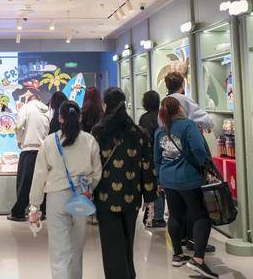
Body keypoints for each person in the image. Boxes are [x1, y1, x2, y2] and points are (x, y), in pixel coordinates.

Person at [28, 101, 102, 279]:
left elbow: (39, 175)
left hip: (56, 198)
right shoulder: (89, 140)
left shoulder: (49, 141)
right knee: (77, 247)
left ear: (60, 118)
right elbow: (97, 172)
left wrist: (34, 205)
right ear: (80, 117)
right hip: (81, 197)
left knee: (59, 250)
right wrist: (89, 188)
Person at [92, 88, 158, 279]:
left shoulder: (99, 133)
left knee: (111, 245)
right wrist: (150, 197)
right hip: (131, 196)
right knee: (128, 241)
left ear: (105, 105)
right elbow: (147, 166)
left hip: (105, 197)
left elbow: (91, 166)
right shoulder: (138, 133)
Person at [154, 97, 219, 278]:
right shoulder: (188, 125)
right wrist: (206, 166)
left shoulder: (160, 131)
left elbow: (157, 158)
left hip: (168, 180)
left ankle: (177, 255)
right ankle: (198, 260)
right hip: (188, 179)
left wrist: (160, 178)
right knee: (201, 216)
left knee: (175, 215)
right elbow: (198, 149)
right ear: (179, 108)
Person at [162, 71, 215, 252]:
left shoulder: (164, 102)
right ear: (182, 84)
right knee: (196, 209)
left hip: (169, 165)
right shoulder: (185, 105)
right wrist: (206, 165)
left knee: (175, 212)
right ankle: (195, 243)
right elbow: (205, 121)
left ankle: (178, 249)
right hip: (187, 163)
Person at [8, 90, 50, 221]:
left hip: (29, 149)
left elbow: (19, 126)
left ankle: (19, 212)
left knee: (25, 182)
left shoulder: (26, 108)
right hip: (43, 151)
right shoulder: (47, 110)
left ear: (28, 100)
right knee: (42, 182)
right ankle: (41, 212)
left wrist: (19, 140)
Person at [139, 90, 166, 228]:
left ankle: (157, 216)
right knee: (160, 185)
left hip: (149, 155)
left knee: (154, 185)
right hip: (163, 153)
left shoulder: (144, 118)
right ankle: (158, 215)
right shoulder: (162, 116)